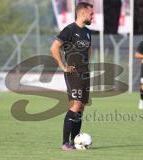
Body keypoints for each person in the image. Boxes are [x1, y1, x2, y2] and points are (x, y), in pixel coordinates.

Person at [50, 2, 93, 150]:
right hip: (73, 73)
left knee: (81, 108)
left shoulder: (88, 32)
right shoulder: (69, 30)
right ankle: (65, 143)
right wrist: (63, 67)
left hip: (85, 74)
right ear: (82, 13)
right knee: (75, 105)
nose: (92, 15)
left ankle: (75, 142)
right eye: (91, 13)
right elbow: (54, 47)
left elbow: (89, 50)